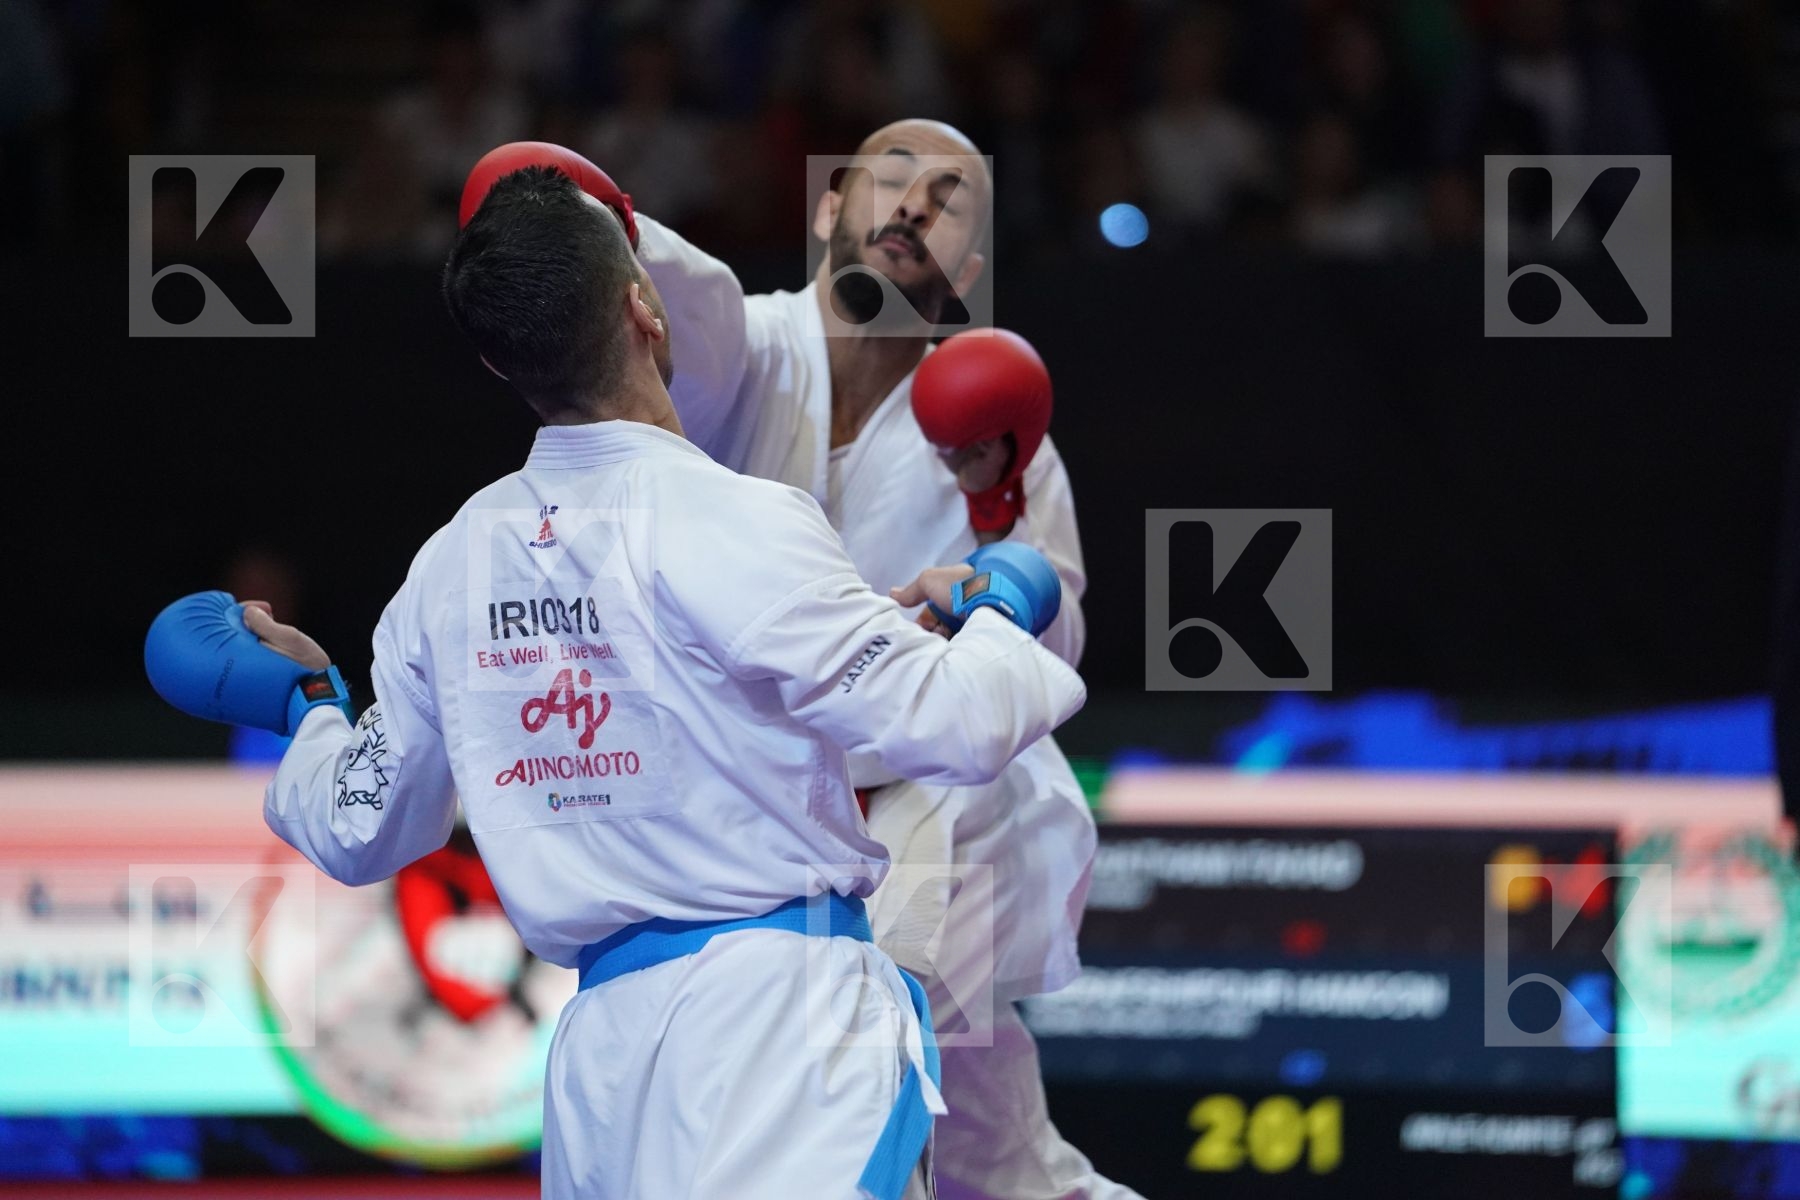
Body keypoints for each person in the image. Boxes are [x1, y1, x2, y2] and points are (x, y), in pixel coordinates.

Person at [144, 164, 1085, 1200]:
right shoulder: (742, 519)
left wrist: (307, 707)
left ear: (506, 366)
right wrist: (1004, 596)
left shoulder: (452, 567)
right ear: (645, 311)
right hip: (781, 1033)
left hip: (602, 1072)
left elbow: (362, 826)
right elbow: (959, 722)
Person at [461, 126, 1141, 1199]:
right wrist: (597, 221)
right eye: (894, 176)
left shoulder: (1003, 424)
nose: (917, 203)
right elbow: (659, 289)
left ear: (968, 270)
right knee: (1005, 1168)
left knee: (873, 1077)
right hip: (743, 837)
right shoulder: (740, 345)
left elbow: (1051, 659)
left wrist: (997, 524)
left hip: (924, 821)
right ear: (829, 210)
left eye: (952, 198)